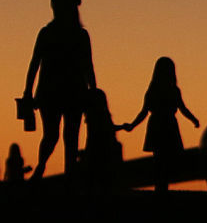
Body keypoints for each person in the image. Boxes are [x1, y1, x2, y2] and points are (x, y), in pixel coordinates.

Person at [22, 0, 95, 178]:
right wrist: (27, 91)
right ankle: (44, 167)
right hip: (63, 93)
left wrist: (28, 92)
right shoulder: (70, 35)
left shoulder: (55, 33)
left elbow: (88, 66)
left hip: (58, 92)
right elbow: (88, 67)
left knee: (60, 136)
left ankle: (58, 172)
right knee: (60, 136)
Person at [122, 57, 199, 192]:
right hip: (168, 125)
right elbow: (182, 109)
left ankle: (160, 187)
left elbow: (144, 112)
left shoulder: (153, 90)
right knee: (166, 160)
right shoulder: (173, 90)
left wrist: (132, 125)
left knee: (159, 160)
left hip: (157, 125)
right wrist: (193, 120)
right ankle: (163, 188)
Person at [80, 88, 124, 185]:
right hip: (103, 147)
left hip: (95, 146)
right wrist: (123, 127)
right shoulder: (101, 114)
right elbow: (107, 128)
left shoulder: (91, 116)